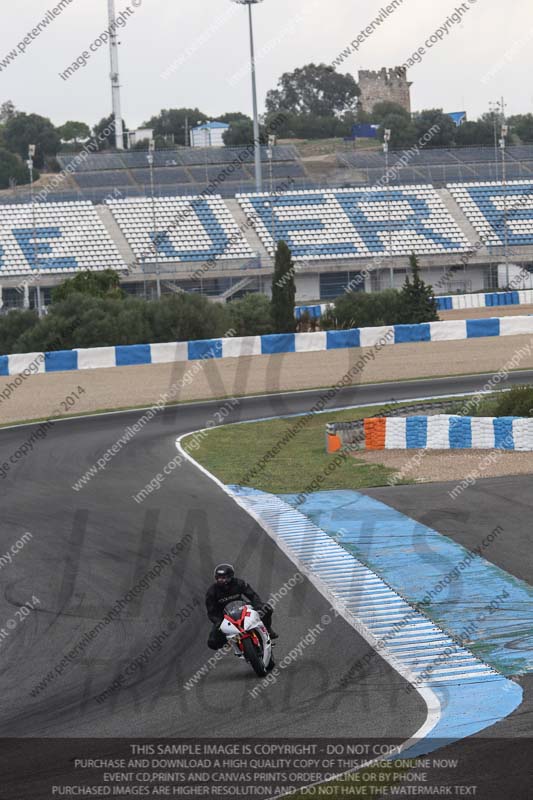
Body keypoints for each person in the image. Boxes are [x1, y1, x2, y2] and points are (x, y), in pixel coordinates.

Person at [206, 563, 278, 651]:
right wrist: (218, 622)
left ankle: (267, 629)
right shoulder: (211, 592)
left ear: (230, 577)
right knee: (212, 642)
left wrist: (257, 604)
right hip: (224, 616)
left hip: (242, 608)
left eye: (223, 577)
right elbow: (211, 611)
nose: (220, 580)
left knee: (267, 608)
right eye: (218, 578)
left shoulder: (239, 583)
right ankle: (229, 642)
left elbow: (252, 595)